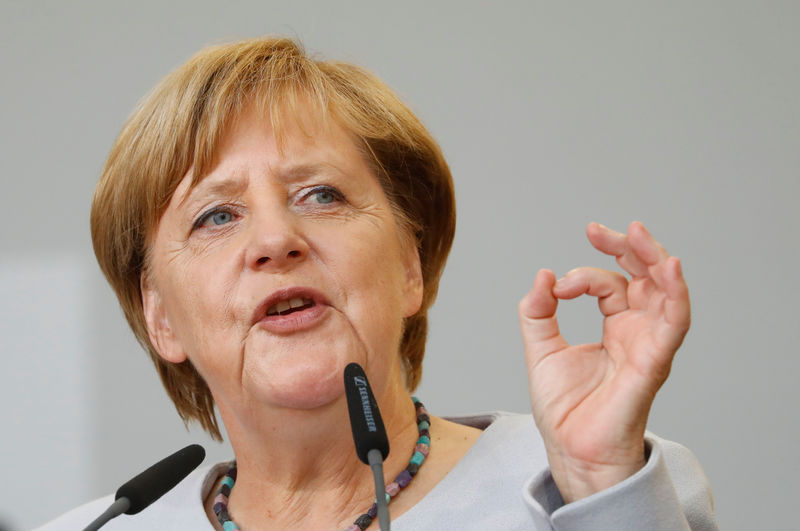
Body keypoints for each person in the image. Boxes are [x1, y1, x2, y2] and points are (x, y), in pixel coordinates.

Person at [40, 37, 717, 530]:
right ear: (159, 316)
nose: (276, 240)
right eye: (218, 214)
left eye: (321, 195)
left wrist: (603, 485)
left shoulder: (587, 485)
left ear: (408, 267)